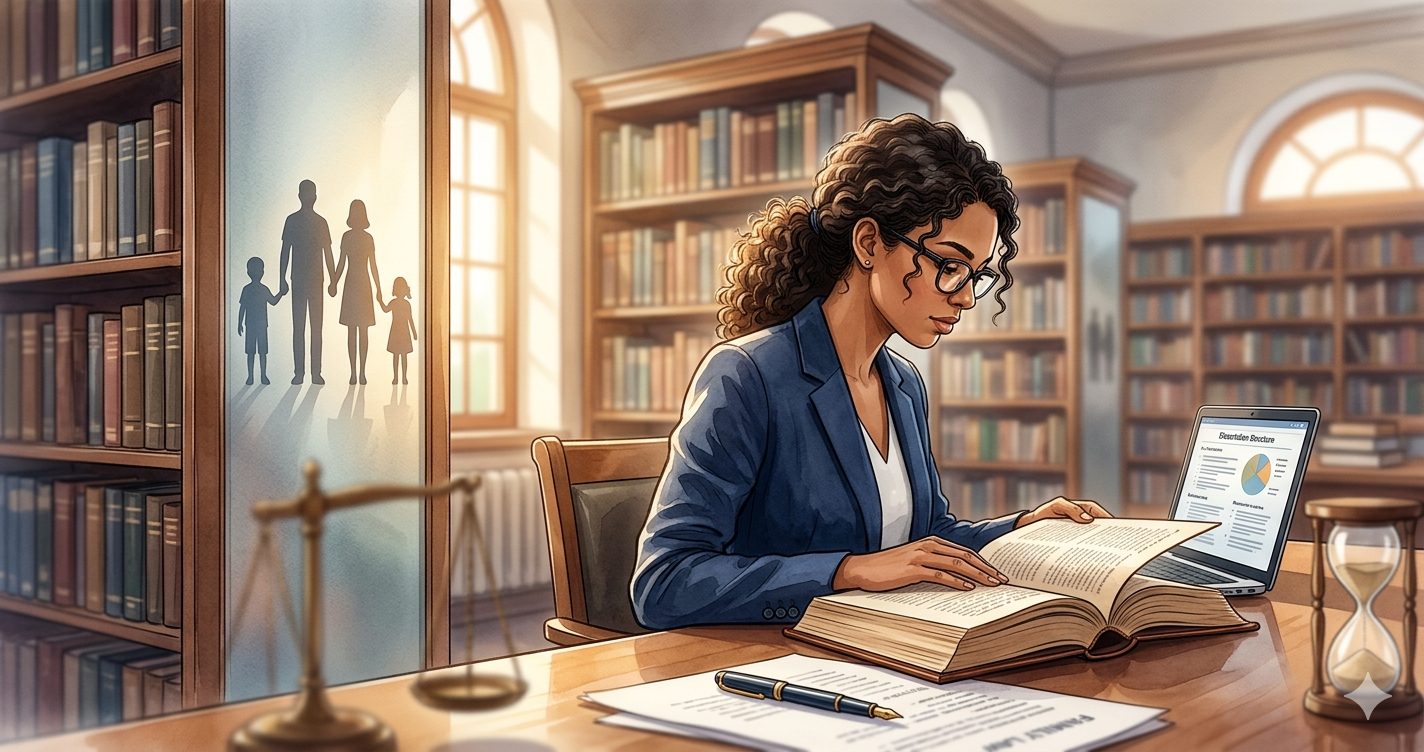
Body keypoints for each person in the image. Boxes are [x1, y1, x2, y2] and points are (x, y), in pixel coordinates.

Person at [631, 114, 1111, 630]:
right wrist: (847, 572)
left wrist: (1020, 530)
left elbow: (924, 539)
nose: (967, 297)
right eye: (949, 265)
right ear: (868, 244)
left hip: (887, 650)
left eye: (978, 275)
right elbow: (665, 582)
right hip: (780, 664)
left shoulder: (902, 383)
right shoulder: (746, 374)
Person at [278, 179, 336, 385]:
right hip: (302, 281)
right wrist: (282, 278)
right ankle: (301, 372)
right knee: (301, 327)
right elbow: (285, 251)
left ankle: (313, 373)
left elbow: (328, 253)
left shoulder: (319, 222)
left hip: (313, 281)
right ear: (310, 196)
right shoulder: (293, 221)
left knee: (313, 327)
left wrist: (333, 279)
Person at [329, 199, 383, 385]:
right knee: (355, 330)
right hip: (354, 285)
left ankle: (360, 372)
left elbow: (373, 266)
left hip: (358, 284)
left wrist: (379, 289)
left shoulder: (362, 238)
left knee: (360, 330)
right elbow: (342, 262)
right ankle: (355, 372)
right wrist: (334, 282)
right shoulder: (351, 237)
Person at [237, 257, 285, 385]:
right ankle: (251, 377)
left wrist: (281, 293)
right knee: (251, 351)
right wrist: (239, 323)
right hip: (252, 325)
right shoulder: (247, 289)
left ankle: (263, 376)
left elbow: (273, 301)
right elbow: (242, 307)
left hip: (261, 324)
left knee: (262, 351)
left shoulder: (262, 289)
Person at [380, 277, 417, 384]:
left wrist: (414, 332)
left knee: (403, 356)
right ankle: (396, 377)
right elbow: (386, 309)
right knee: (396, 356)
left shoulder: (406, 304)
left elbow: (410, 319)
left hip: (404, 332)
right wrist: (380, 301)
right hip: (397, 332)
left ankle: (404, 377)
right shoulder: (395, 302)